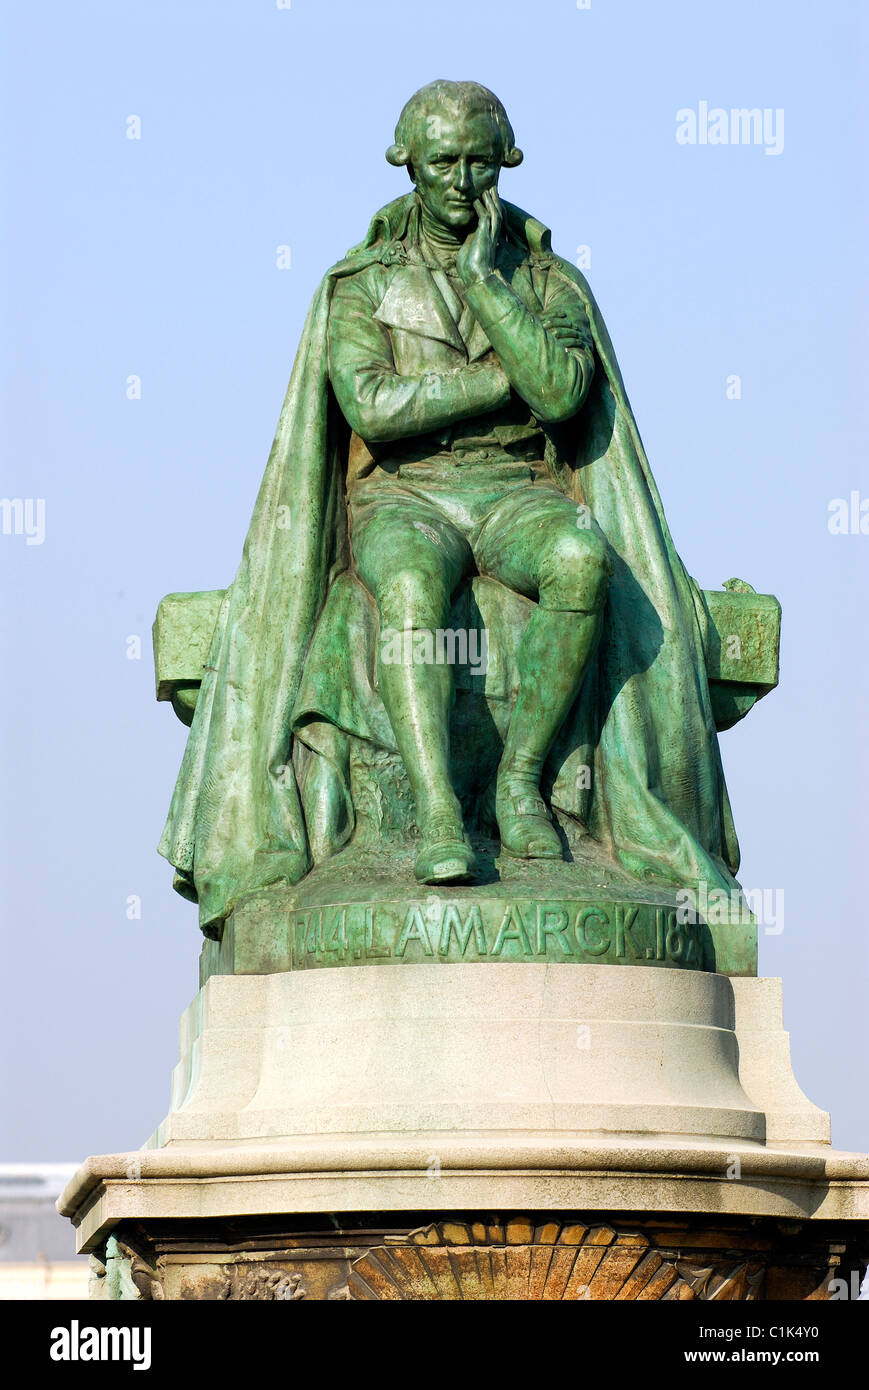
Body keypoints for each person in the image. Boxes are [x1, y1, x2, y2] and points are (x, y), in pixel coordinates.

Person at [159, 81, 741, 937]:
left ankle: (519, 780)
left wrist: (486, 286)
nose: (462, 182)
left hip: (516, 494)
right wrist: (502, 381)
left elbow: (564, 394)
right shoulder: (360, 283)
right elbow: (372, 407)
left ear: (506, 163)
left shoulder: (546, 280)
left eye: (479, 162)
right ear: (408, 165)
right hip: (407, 495)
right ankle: (436, 811)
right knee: (404, 590)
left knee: (580, 561)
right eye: (442, 163)